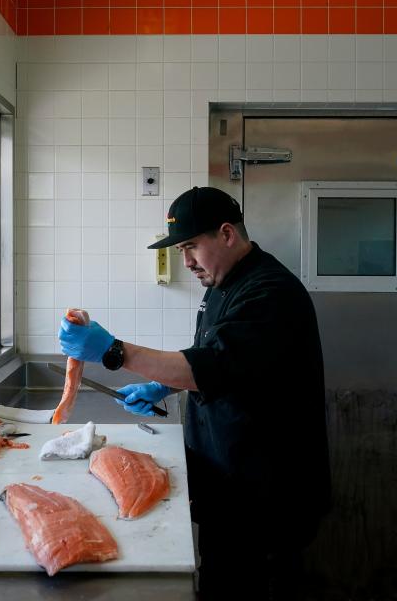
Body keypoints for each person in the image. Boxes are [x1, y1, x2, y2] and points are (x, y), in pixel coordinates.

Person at [59, 186, 330, 599]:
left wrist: (114, 353)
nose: (185, 262)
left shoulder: (269, 293)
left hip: (266, 495)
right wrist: (162, 384)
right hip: (229, 482)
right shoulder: (221, 282)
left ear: (226, 234)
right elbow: (218, 358)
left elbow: (211, 366)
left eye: (190, 247)